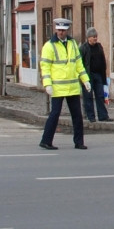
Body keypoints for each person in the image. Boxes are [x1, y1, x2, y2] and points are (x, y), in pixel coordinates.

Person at [39, 18, 92, 150]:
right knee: (55, 114)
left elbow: (79, 64)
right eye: (59, 30)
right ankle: (46, 141)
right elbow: (45, 67)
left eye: (63, 30)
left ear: (67, 30)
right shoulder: (49, 46)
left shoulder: (73, 44)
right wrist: (47, 84)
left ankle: (79, 142)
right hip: (57, 87)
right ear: (56, 29)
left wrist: (85, 80)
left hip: (73, 87)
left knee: (77, 116)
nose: (61, 32)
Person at [79, 27, 114, 123]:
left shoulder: (99, 46)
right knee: (88, 96)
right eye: (93, 37)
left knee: (100, 95)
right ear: (88, 37)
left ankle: (103, 116)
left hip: (98, 74)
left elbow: (102, 60)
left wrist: (104, 73)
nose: (95, 38)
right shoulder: (83, 48)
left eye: (96, 36)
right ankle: (91, 116)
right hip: (88, 76)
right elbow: (80, 63)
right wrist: (82, 78)